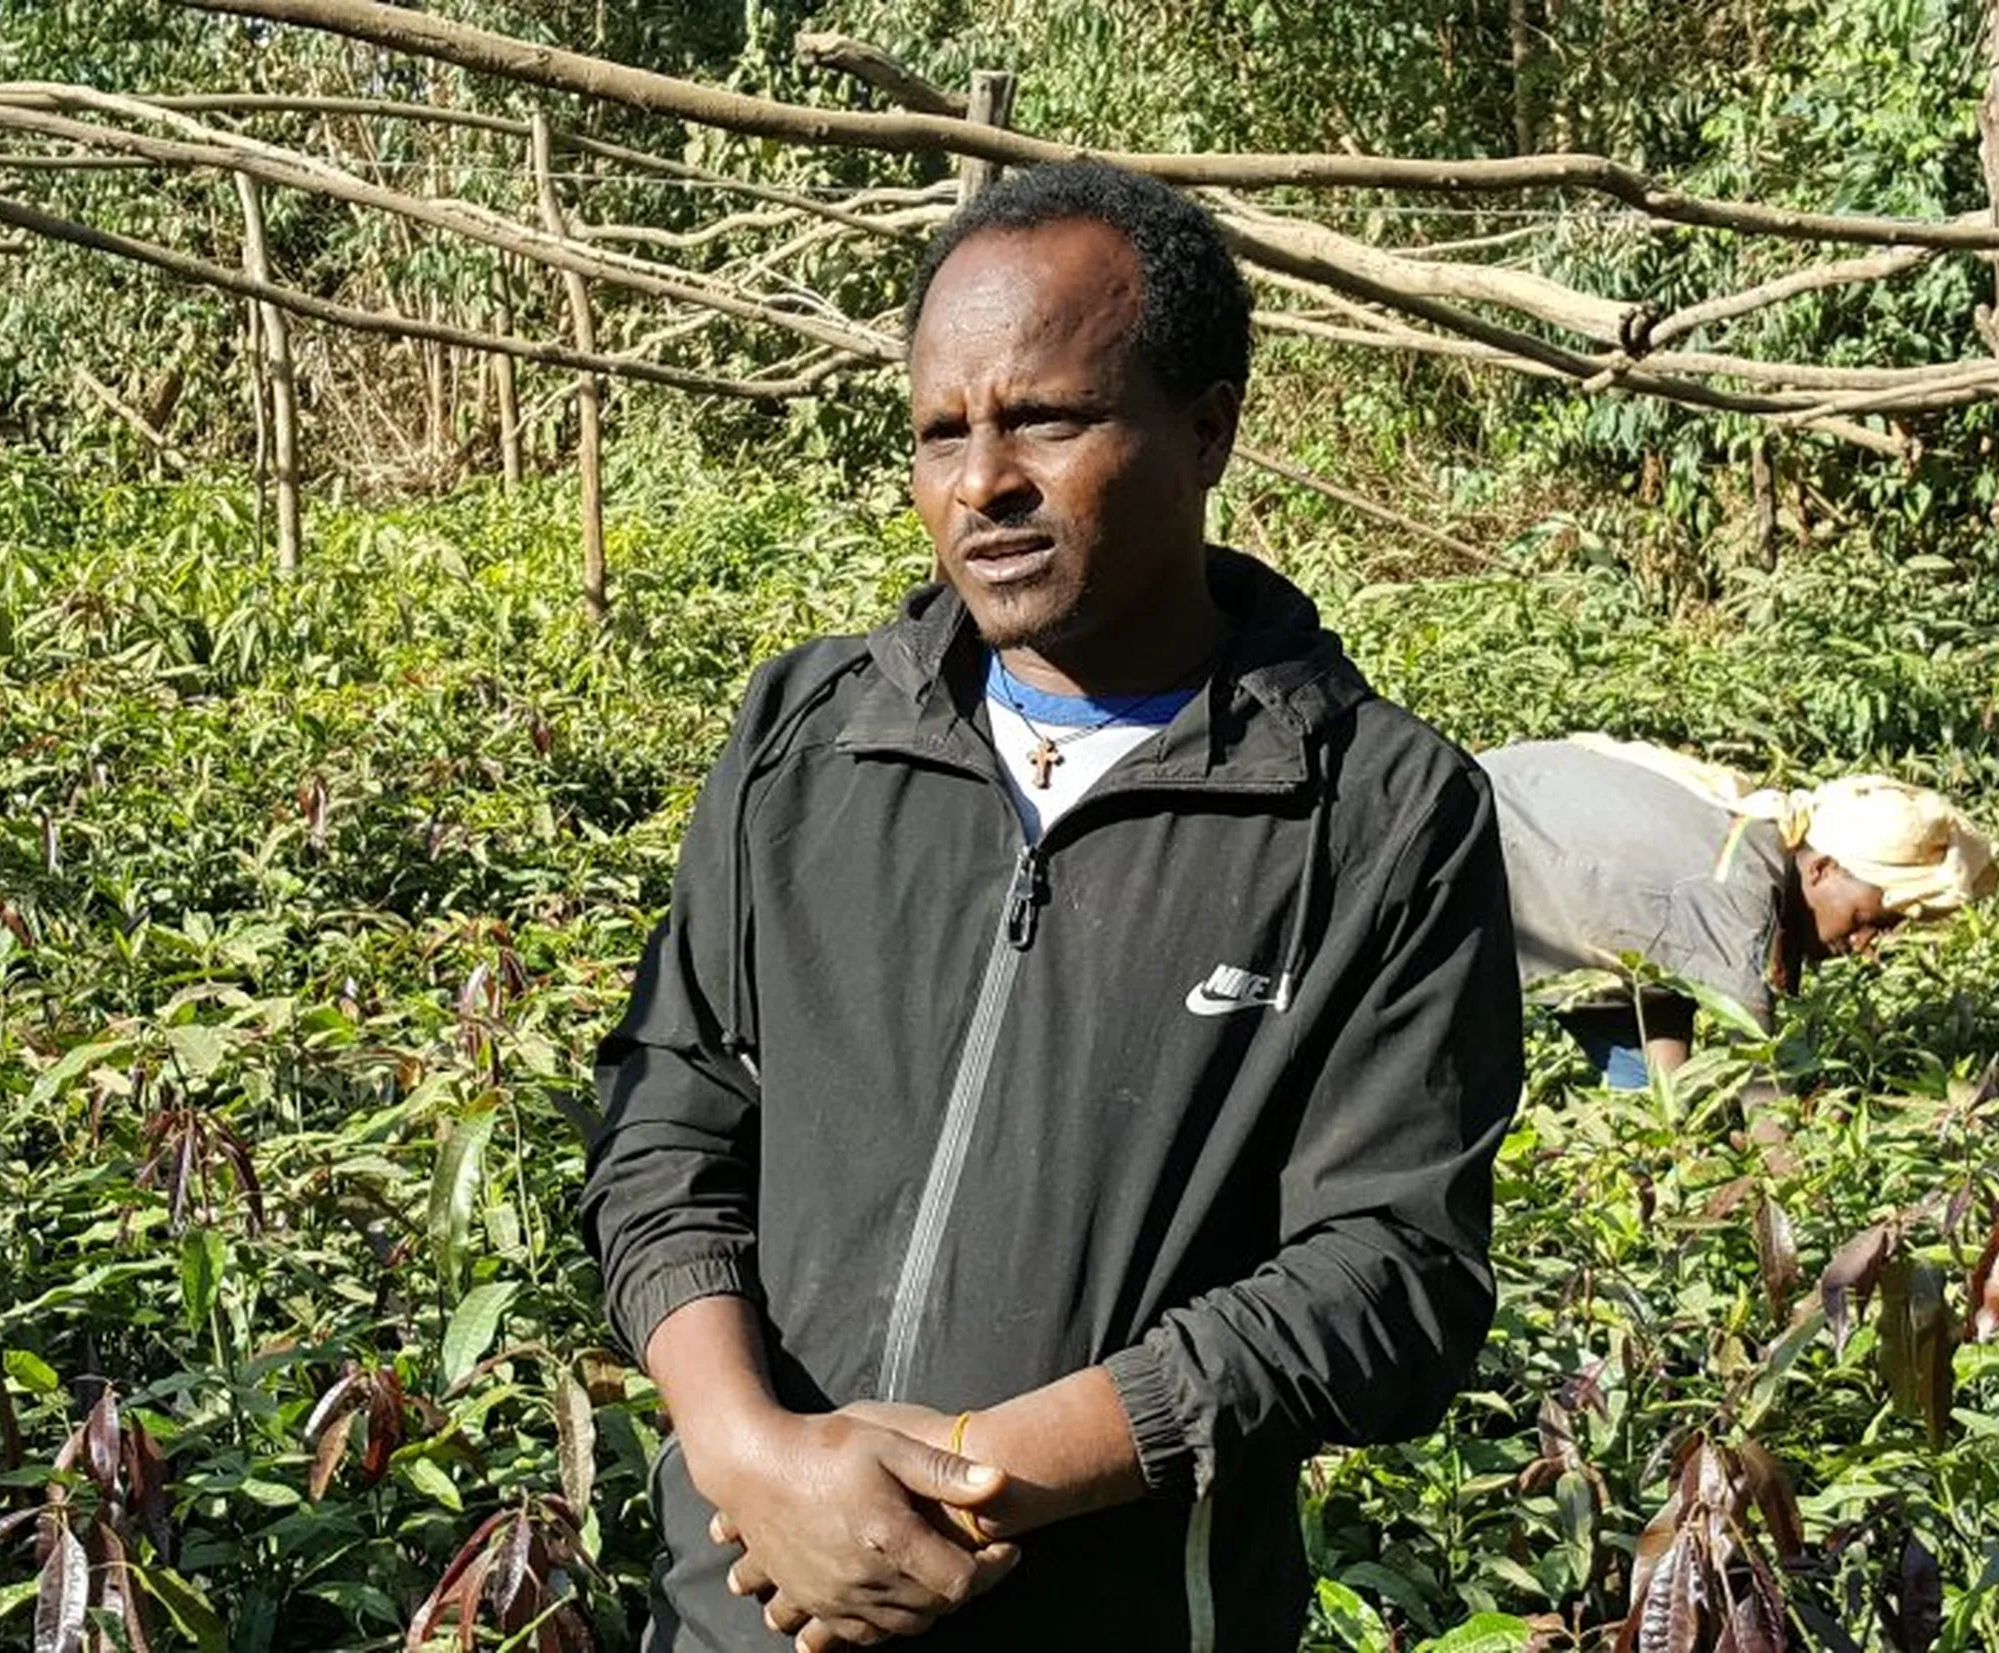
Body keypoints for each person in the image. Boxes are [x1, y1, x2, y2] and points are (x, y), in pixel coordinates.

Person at [581, 159, 1523, 1653]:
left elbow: (1392, 1276)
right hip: (747, 1605)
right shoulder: (809, 739)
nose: (982, 483)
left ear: (1209, 426)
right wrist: (758, 1455)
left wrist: (971, 1483)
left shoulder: (1376, 817)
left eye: (1047, 420)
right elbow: (666, 1122)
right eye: (942, 432)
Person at [1475, 734, 1999, 1086]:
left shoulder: (1750, 841)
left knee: (1647, 1098)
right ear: (1822, 870)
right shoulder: (1741, 897)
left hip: (1522, 830)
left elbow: (1669, 985)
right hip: (1476, 847)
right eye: (1869, 921)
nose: (1865, 946)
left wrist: (1674, 1129)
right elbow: (1758, 1080)